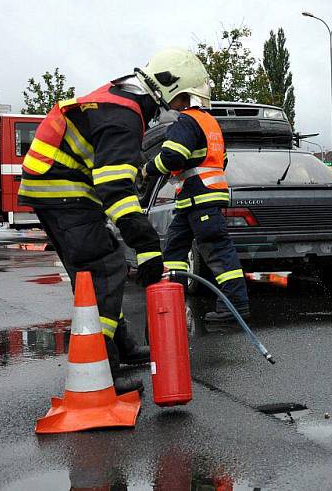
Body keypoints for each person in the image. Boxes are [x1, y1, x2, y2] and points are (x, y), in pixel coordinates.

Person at [18, 50, 200, 393]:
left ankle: (121, 346)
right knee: (105, 268)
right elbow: (115, 188)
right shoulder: (123, 116)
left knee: (96, 270)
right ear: (166, 85)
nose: (181, 107)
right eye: (182, 98)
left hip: (56, 187)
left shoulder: (121, 98)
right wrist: (147, 245)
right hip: (62, 189)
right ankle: (101, 370)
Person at [142, 53, 250, 323]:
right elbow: (219, 159)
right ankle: (174, 299)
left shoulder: (185, 122)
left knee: (218, 254)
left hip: (199, 199)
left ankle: (234, 309)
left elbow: (172, 157)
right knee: (175, 251)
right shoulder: (209, 122)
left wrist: (146, 169)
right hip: (193, 200)